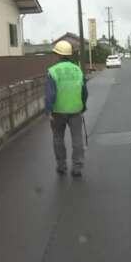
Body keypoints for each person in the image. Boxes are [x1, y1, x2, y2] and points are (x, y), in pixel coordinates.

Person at [45, 41, 88, 177]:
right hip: (75, 109)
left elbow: (50, 94)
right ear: (69, 55)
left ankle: (61, 165)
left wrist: (48, 110)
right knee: (77, 139)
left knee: (58, 137)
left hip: (58, 111)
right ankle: (77, 167)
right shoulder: (78, 70)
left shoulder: (52, 71)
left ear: (58, 54)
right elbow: (84, 91)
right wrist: (83, 106)